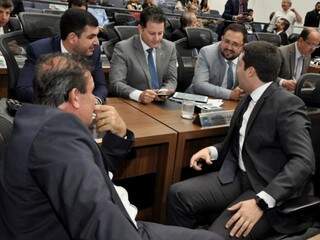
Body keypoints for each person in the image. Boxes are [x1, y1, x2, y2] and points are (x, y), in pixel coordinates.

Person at [0, 53, 223, 240]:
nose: (97, 101)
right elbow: (99, 222)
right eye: (92, 93)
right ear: (75, 97)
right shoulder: (57, 139)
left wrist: (120, 134)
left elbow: (90, 172)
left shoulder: (40, 123)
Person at [167, 41, 315, 239]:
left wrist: (261, 201)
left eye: (239, 64)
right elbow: (239, 143)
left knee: (214, 237)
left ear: (251, 71)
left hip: (267, 188)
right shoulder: (246, 98)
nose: (236, 69)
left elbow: (304, 162)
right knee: (178, 194)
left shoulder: (287, 104)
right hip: (238, 176)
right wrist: (213, 151)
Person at [15, 9, 107, 104]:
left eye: (97, 36)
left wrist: (94, 101)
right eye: (91, 37)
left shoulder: (94, 52)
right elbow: (24, 89)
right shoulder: (39, 50)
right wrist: (65, 102)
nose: (96, 42)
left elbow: (101, 86)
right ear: (72, 38)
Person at [109, 6, 177, 104]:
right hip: (134, 105)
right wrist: (139, 95)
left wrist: (164, 91)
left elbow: (171, 79)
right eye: (152, 33)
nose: (157, 38)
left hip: (162, 105)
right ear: (140, 29)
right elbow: (116, 83)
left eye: (160, 33)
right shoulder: (123, 48)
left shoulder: (170, 47)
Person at [188, 23, 246, 100]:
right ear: (221, 38)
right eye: (226, 41)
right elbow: (199, 85)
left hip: (229, 104)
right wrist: (230, 94)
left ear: (242, 47)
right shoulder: (207, 52)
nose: (229, 47)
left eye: (235, 44)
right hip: (200, 100)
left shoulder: (247, 57)